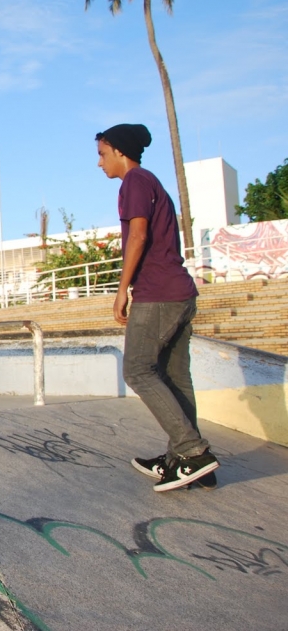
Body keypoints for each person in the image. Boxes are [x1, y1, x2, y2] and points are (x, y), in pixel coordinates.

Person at [96, 123, 218, 492]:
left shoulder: (133, 182)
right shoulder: (152, 181)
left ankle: (193, 451)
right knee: (176, 378)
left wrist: (122, 290)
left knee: (136, 369)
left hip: (158, 292)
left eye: (102, 154)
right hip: (180, 292)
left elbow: (139, 234)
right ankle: (189, 462)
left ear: (119, 152)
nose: (99, 163)